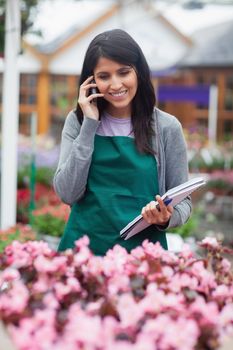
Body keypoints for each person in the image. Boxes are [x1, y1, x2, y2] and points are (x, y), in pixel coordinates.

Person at [53, 29, 191, 255]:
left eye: (124, 72)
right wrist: (90, 124)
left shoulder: (167, 127)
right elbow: (67, 193)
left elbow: (184, 203)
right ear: (91, 80)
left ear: (139, 72)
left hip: (143, 258)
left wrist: (166, 217)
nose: (115, 85)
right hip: (82, 254)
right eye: (104, 76)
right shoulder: (77, 122)